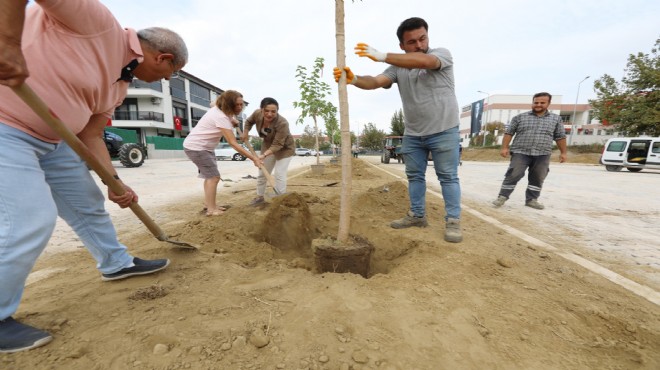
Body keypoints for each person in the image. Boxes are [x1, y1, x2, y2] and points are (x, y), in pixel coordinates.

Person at [0, 0, 189, 353]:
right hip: (7, 127)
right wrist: (8, 43)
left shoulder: (118, 85)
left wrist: (114, 182)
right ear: (163, 58)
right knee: (28, 220)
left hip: (55, 141)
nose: (166, 81)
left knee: (88, 205)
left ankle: (115, 263)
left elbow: (90, 135)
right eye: (170, 75)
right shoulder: (99, 23)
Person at [333, 17, 462, 243]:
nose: (419, 45)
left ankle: (453, 221)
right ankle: (417, 215)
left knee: (448, 177)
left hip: (444, 130)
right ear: (402, 46)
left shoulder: (442, 55)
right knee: (414, 176)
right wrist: (353, 80)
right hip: (413, 133)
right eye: (412, 42)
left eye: (422, 38)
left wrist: (382, 55)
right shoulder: (398, 67)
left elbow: (425, 61)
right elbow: (375, 81)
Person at [183, 90, 262, 215]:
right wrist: (254, 158)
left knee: (209, 176)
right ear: (229, 105)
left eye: (242, 104)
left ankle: (209, 204)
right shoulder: (221, 117)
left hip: (204, 147)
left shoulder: (219, 108)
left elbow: (213, 104)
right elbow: (233, 143)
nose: (240, 107)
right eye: (237, 105)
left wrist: (233, 118)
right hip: (197, 147)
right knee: (213, 177)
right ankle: (211, 209)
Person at [492, 92, 567, 210]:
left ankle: (532, 200)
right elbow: (509, 133)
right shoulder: (519, 117)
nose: (538, 105)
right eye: (536, 102)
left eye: (542, 103)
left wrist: (563, 153)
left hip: (543, 153)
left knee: (538, 177)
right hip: (521, 152)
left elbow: (560, 137)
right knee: (513, 174)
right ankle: (502, 197)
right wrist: (505, 147)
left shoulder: (556, 119)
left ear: (548, 103)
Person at [241, 97, 295, 206]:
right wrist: (245, 132)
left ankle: (281, 199)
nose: (269, 114)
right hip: (267, 145)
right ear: (261, 110)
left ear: (277, 111)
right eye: (266, 111)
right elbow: (248, 121)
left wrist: (263, 155)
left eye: (273, 111)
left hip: (285, 149)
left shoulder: (282, 123)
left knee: (279, 174)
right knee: (262, 173)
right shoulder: (257, 114)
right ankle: (260, 197)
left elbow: (278, 144)